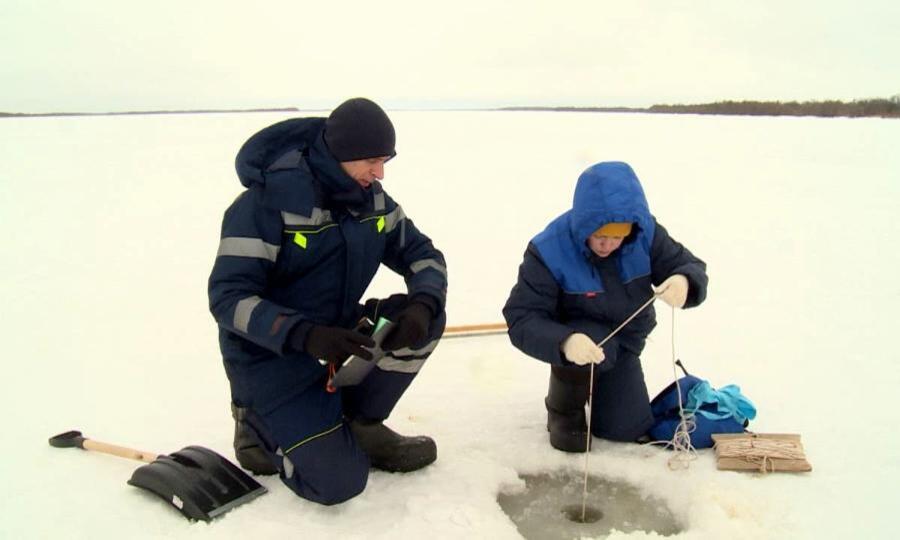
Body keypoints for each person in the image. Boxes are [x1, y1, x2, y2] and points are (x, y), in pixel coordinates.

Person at [208, 97, 448, 504]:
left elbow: (423, 254)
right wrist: (304, 334)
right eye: (372, 161)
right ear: (341, 154)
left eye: (385, 161)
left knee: (424, 319)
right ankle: (257, 429)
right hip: (269, 356)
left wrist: (423, 304)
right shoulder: (265, 204)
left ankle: (358, 423)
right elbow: (228, 298)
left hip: (337, 335)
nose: (380, 172)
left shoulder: (373, 201)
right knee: (339, 483)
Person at [502, 161, 707, 452]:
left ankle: (605, 395)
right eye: (599, 236)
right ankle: (564, 408)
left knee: (625, 429)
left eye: (617, 236)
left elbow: (687, 264)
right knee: (591, 351)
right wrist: (565, 342)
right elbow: (521, 317)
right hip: (581, 345)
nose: (607, 244)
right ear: (584, 224)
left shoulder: (645, 233)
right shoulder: (550, 249)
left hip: (625, 343)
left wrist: (684, 281)